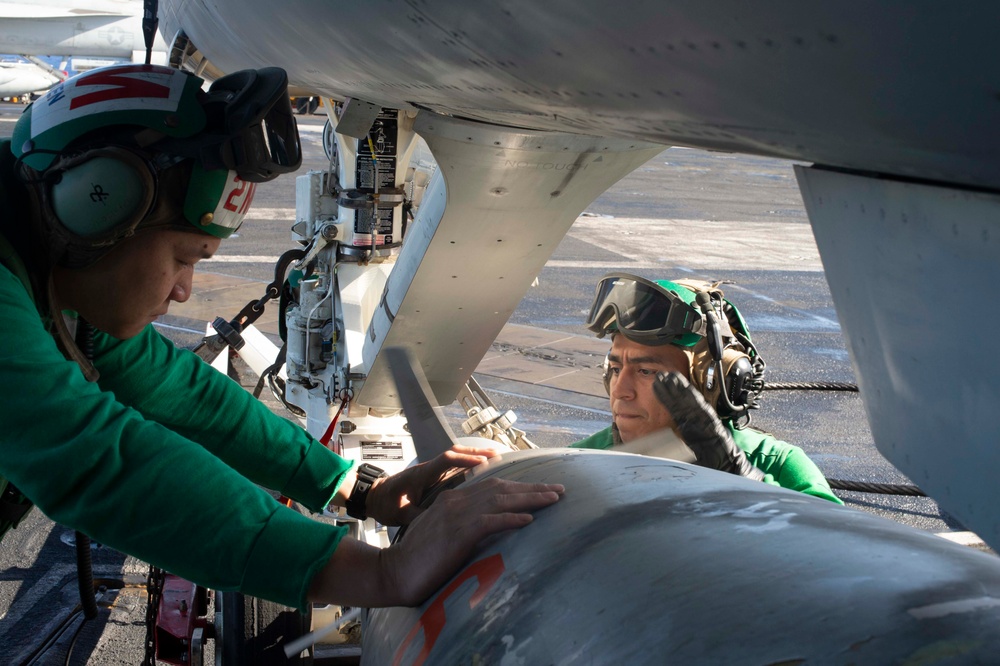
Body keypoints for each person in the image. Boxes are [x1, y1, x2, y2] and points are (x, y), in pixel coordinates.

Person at [0, 63, 563, 612]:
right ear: (95, 205)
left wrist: (359, 489)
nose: (182, 292)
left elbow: (173, 389)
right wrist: (380, 573)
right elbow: (97, 460)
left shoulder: (40, 260)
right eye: (183, 257)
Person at [572, 272, 841, 504]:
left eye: (646, 371)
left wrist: (743, 481)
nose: (620, 390)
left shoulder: (776, 464)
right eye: (616, 369)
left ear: (710, 382)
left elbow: (839, 546)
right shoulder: (576, 464)